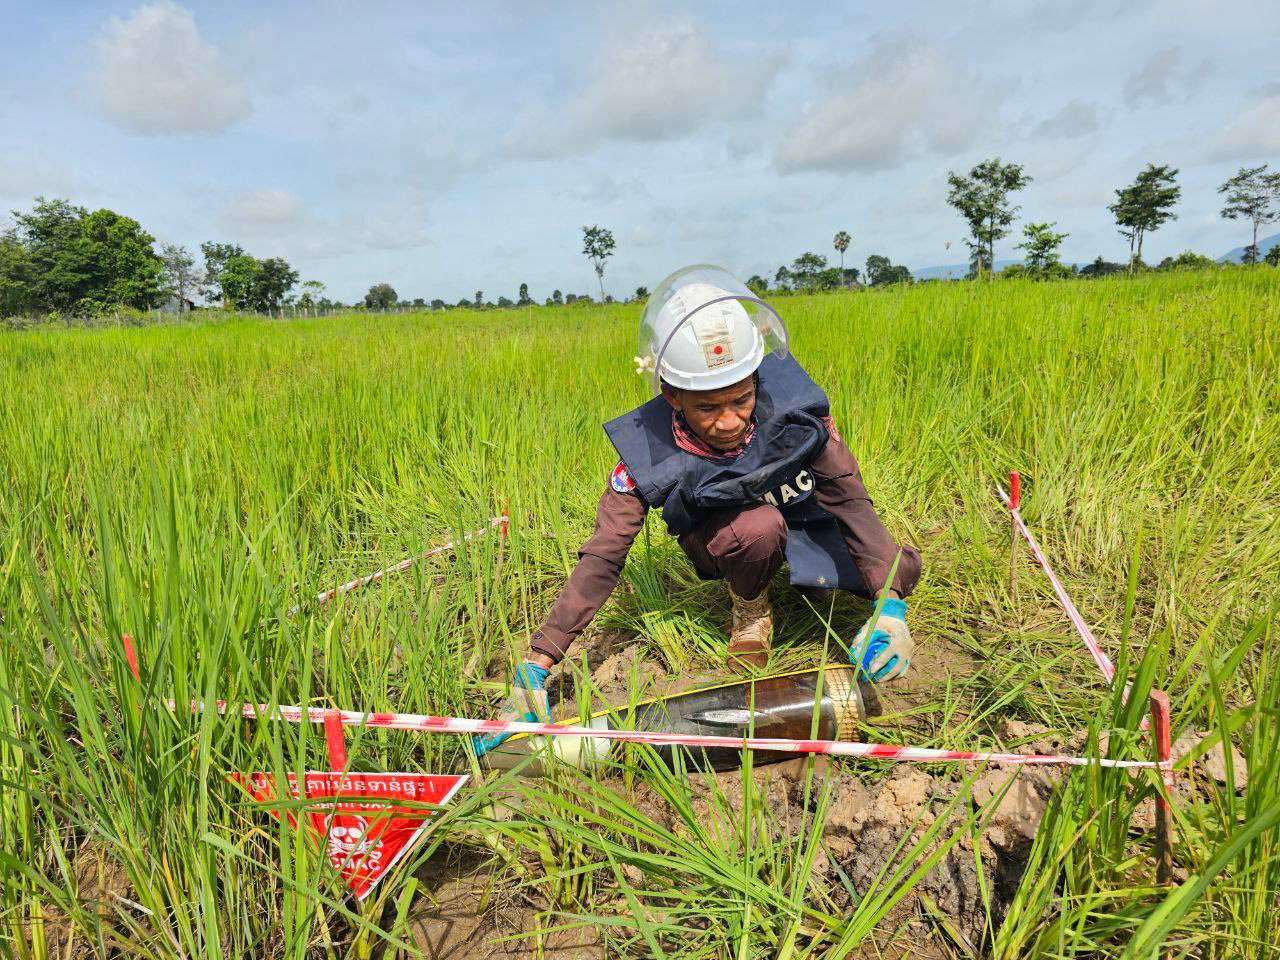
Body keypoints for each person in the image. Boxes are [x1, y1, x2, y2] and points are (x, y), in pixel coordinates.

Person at [474, 266, 921, 756]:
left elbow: (850, 501)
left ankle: (855, 592)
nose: (729, 421)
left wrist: (889, 603)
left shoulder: (799, 417)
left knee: (900, 568)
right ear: (672, 396)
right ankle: (751, 606)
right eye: (707, 408)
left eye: (742, 399)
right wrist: (541, 658)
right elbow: (603, 557)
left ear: (756, 380)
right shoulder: (646, 456)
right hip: (732, 535)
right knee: (756, 529)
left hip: (804, 517)